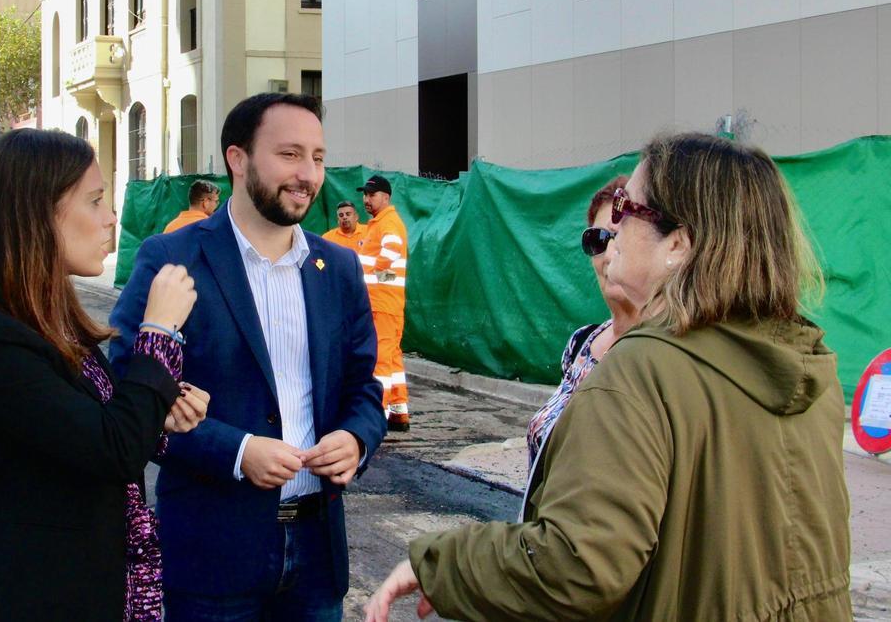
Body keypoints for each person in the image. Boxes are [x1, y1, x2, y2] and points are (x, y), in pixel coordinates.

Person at [365, 133, 851, 621]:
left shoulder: (642, 371)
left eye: (626, 209)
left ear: (677, 245)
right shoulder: (808, 370)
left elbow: (576, 565)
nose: (612, 229)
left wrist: (443, 563)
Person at [110, 93, 386, 620]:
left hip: (317, 557)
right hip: (211, 560)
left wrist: (356, 439)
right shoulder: (172, 259)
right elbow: (130, 386)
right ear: (238, 159)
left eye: (318, 157)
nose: (308, 174)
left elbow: (364, 388)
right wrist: (236, 452)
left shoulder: (339, 269)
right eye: (289, 154)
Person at [0, 128, 211, 620]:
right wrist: (159, 330)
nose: (111, 218)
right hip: (26, 597)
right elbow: (114, 449)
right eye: (95, 201)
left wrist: (158, 414)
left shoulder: (44, 316)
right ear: (36, 212)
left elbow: (89, 426)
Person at [524, 175, 638, 471]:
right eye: (598, 240)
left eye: (622, 238)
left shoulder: (660, 357)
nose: (609, 255)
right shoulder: (581, 343)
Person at [357, 174, 411, 431]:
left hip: (382, 304)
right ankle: (398, 412)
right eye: (365, 195)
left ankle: (378, 413)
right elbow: (390, 270)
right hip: (387, 304)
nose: (366, 199)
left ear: (386, 197)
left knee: (380, 360)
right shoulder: (381, 222)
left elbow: (390, 250)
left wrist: (366, 273)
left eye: (372, 195)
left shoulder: (388, 223)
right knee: (392, 358)